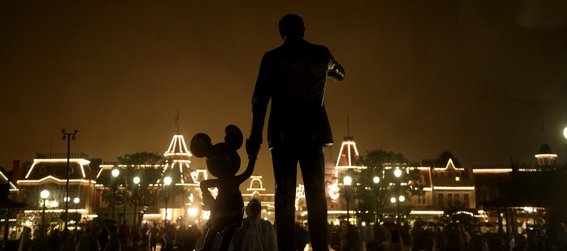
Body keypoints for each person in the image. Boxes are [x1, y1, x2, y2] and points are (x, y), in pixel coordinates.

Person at [247, 13, 345, 251]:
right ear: (303, 30)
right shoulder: (321, 54)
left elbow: (259, 100)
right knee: (316, 196)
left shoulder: (272, 58)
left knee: (284, 195)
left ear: (281, 32)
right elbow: (340, 73)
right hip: (313, 133)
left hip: (282, 134)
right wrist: (322, 70)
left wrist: (255, 136)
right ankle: (320, 247)